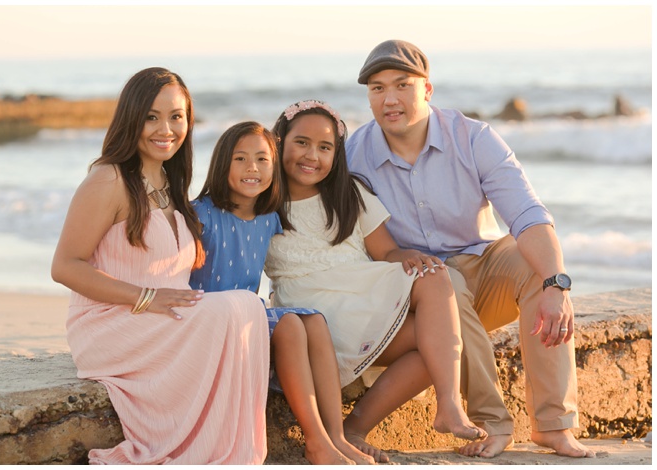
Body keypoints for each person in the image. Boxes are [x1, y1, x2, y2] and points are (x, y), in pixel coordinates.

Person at [346, 39, 595, 459]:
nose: (390, 99)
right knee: (445, 284)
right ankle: (491, 424)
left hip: (485, 262)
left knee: (537, 269)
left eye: (402, 85)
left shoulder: (474, 138)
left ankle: (553, 426)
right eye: (377, 88)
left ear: (427, 89)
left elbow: (529, 216)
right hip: (416, 288)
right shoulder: (354, 158)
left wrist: (557, 284)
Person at [51, 67, 270, 464]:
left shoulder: (171, 183)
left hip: (161, 321)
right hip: (110, 323)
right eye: (151, 116)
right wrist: (145, 297)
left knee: (247, 307)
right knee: (235, 307)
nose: (165, 128)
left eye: (176, 116)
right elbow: (65, 266)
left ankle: (233, 454)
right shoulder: (109, 180)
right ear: (131, 118)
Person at [264, 100, 488, 463]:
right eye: (301, 142)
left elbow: (387, 252)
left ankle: (436, 408)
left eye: (325, 148)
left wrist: (409, 258)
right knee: (433, 329)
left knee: (433, 296)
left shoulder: (348, 194)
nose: (312, 156)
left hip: (362, 298)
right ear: (278, 141)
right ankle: (421, 412)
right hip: (314, 315)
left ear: (337, 155)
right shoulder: (265, 201)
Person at [189, 121, 374, 465]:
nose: (252, 169)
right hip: (209, 320)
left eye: (262, 160)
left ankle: (335, 436)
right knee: (289, 324)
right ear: (221, 164)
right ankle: (315, 440)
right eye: (240, 159)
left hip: (249, 318)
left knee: (314, 320)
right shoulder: (199, 216)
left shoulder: (269, 217)